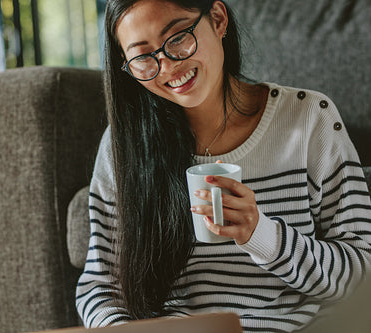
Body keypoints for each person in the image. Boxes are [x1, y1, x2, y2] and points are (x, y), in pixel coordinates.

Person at [75, 0, 371, 332]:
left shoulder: (308, 119)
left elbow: (362, 276)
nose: (168, 65)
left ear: (217, 19)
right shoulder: (125, 143)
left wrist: (262, 235)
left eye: (177, 38)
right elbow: (101, 287)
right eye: (143, 57)